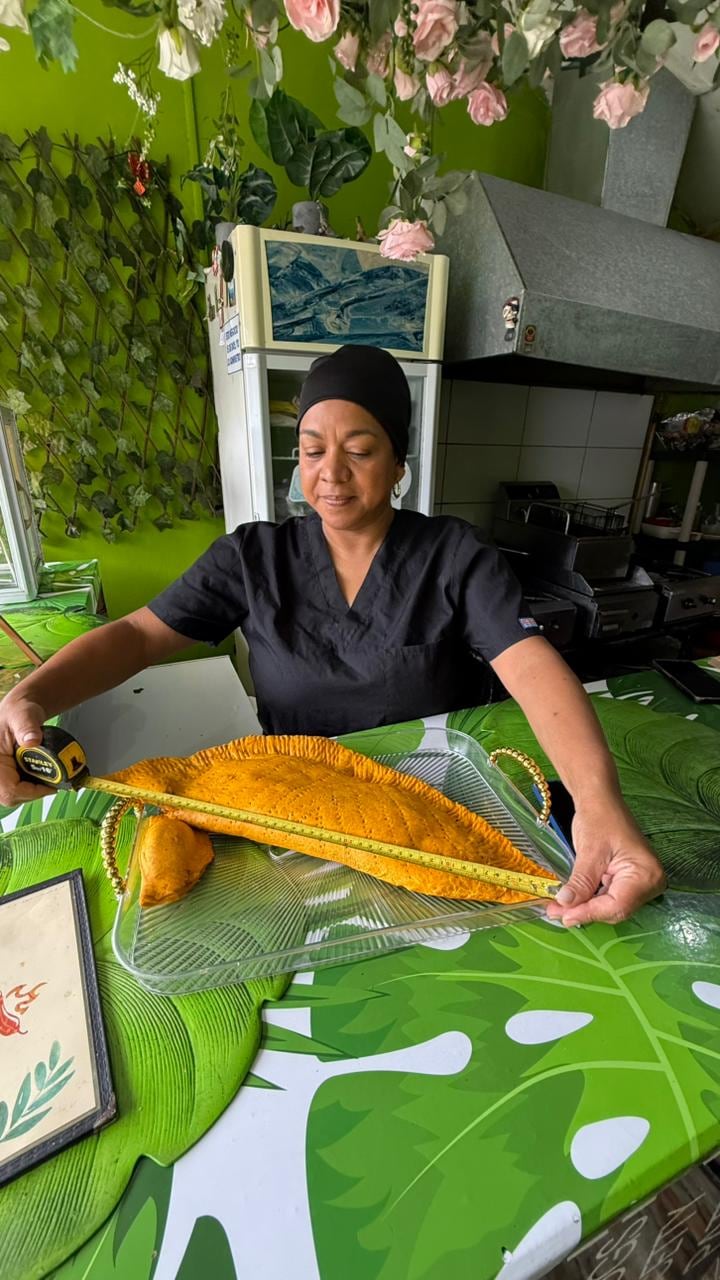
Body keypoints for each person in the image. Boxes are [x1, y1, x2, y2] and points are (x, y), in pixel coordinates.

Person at [0, 345, 665, 926]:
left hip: (436, 813)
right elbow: (139, 637)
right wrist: (30, 697)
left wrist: (601, 805)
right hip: (299, 816)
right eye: (314, 451)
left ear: (399, 462)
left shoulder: (452, 555)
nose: (331, 474)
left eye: (361, 450)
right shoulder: (252, 559)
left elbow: (529, 666)